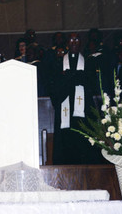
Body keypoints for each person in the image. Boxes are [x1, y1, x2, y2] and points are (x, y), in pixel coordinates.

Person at [49, 33, 101, 164]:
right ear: (67, 43)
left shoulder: (88, 63)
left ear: (81, 43)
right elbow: (54, 88)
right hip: (64, 114)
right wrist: (76, 78)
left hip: (83, 113)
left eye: (77, 39)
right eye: (71, 39)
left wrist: (69, 78)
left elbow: (92, 85)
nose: (74, 42)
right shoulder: (58, 63)